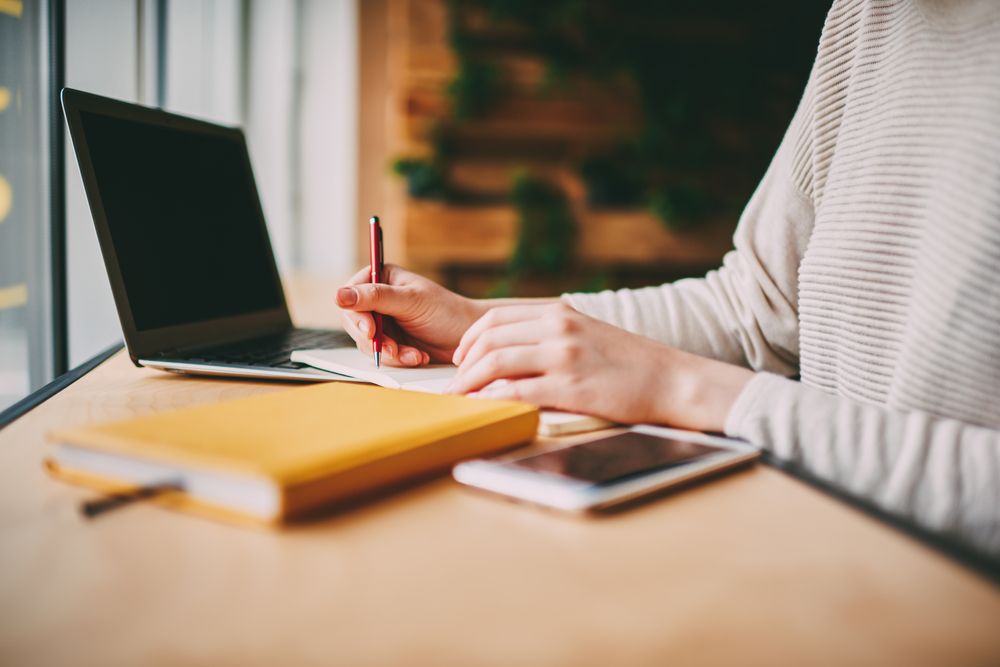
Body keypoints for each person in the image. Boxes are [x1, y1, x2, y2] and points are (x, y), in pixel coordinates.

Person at [336, 0, 1000, 557]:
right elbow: (754, 305)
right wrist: (479, 322)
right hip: (816, 544)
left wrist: (681, 387)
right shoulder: (874, 14)